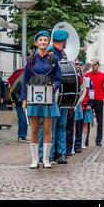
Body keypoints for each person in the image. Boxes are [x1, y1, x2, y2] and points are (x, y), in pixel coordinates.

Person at [21, 31, 61, 169]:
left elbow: (58, 78)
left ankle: (46, 159)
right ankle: (34, 160)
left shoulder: (53, 59)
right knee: (34, 130)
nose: (43, 43)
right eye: (40, 40)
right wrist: (24, 98)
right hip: (33, 96)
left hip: (48, 97)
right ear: (36, 43)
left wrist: (54, 87)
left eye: (45, 40)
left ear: (48, 42)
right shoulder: (31, 59)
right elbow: (25, 80)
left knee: (47, 129)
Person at [44, 29, 69, 165]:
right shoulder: (50, 52)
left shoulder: (63, 54)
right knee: (52, 125)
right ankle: (51, 154)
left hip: (63, 94)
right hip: (53, 93)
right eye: (65, 41)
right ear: (62, 41)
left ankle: (61, 153)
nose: (66, 43)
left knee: (61, 125)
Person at [84, 59, 104, 146]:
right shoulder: (87, 75)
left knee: (100, 121)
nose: (94, 66)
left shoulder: (103, 76)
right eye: (92, 65)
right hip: (89, 101)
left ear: (98, 65)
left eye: (95, 65)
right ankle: (85, 140)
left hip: (99, 100)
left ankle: (98, 140)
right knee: (87, 121)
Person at [8, 68, 29, 142]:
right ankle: (21, 136)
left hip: (27, 104)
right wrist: (20, 100)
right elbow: (15, 92)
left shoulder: (28, 83)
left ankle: (23, 136)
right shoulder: (21, 83)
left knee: (26, 121)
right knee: (22, 120)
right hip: (20, 104)